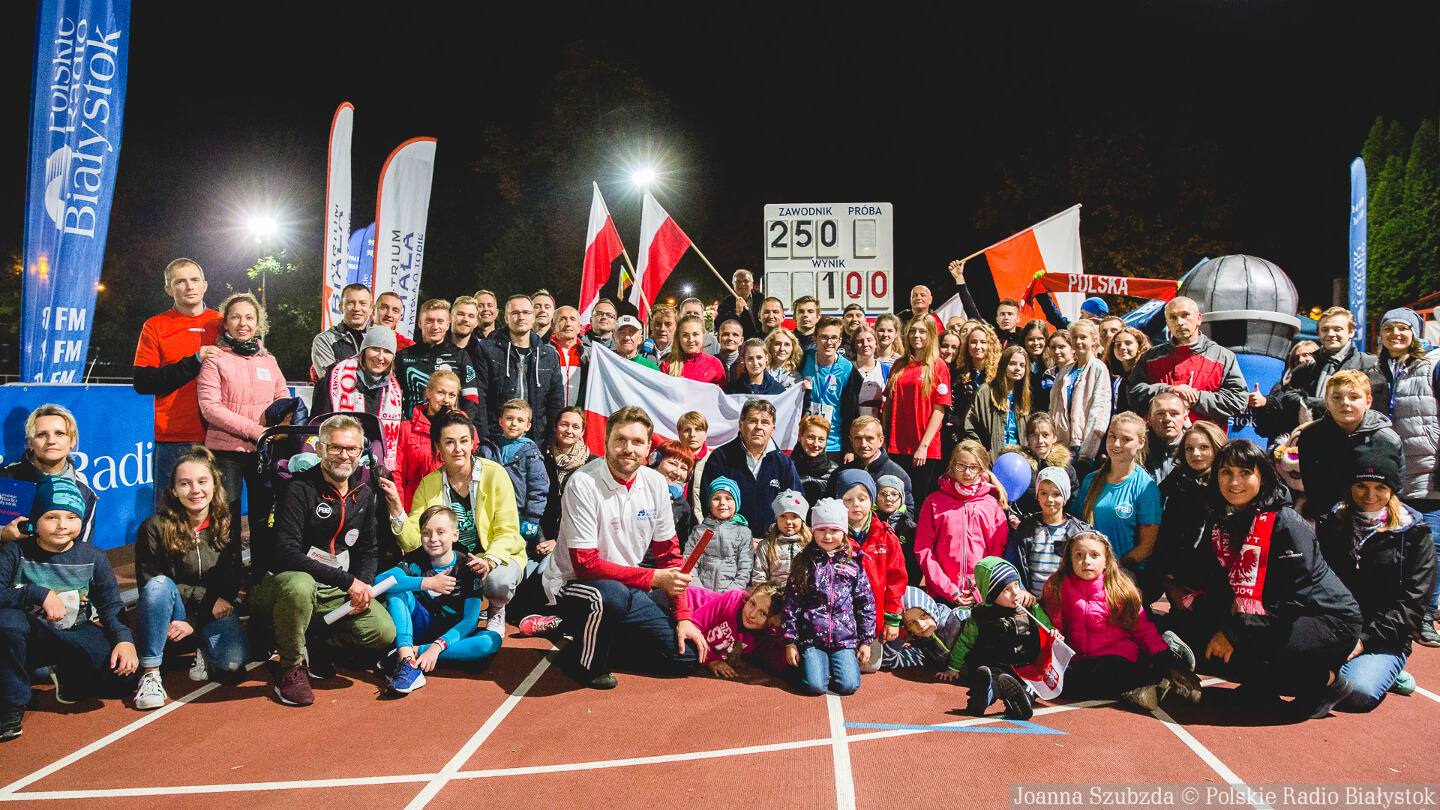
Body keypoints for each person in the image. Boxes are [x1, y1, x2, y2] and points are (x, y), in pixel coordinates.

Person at [1161, 440, 1362, 719]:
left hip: (1326, 618)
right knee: (1206, 638)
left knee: (1244, 643)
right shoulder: (1225, 520)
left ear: (1263, 477)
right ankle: (1261, 686)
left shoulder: (1285, 523)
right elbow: (1216, 579)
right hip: (1274, 614)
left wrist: (1233, 633)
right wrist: (1176, 589)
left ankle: (1326, 683)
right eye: (1226, 472)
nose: (1234, 482)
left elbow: (1295, 597)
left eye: (1245, 472)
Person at [536, 406, 706, 689]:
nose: (628, 449)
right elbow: (586, 565)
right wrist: (654, 579)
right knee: (610, 596)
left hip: (625, 585)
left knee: (684, 659)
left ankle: (593, 644)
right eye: (620, 440)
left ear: (649, 447)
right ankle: (584, 664)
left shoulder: (655, 485)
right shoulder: (582, 483)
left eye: (638, 442)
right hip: (573, 585)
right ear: (605, 443)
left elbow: (669, 556)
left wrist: (683, 617)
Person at [249, 415, 401, 706]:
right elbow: (285, 552)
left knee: (382, 632)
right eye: (334, 448)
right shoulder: (298, 489)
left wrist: (364, 586)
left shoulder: (365, 493)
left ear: (361, 453)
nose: (343, 455)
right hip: (284, 586)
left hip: (332, 593)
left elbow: (368, 550)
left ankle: (314, 641)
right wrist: (348, 581)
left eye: (351, 449)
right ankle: (290, 666)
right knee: (300, 585)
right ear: (318, 449)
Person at [0, 476, 137, 739]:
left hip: (72, 631)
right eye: (51, 517)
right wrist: (36, 593)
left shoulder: (93, 556)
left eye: (72, 517)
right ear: (34, 521)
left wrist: (124, 640)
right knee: (7, 622)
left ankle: (65, 670)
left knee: (123, 679)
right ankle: (10, 705)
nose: (62, 526)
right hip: (28, 636)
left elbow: (110, 605)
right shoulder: (14, 552)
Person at [1315, 449, 1436, 710]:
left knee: (1355, 692)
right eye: (1361, 485)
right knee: (1277, 671)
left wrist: (1364, 640)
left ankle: (1384, 670)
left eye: (1380, 486)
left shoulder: (1415, 534)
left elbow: (1413, 605)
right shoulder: (1331, 524)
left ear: (1393, 488)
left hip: (1385, 637)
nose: (1369, 496)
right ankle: (1371, 671)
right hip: (1336, 630)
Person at [132, 448, 246, 709]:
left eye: (202, 482)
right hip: (173, 610)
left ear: (215, 484)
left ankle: (201, 646)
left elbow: (229, 585)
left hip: (210, 612)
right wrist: (196, 606)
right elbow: (152, 583)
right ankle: (150, 674)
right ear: (173, 490)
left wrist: (194, 622)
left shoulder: (227, 523)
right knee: (159, 587)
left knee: (232, 669)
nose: (195, 490)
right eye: (185, 483)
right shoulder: (153, 527)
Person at [1044, 531, 1200, 710]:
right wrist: (1054, 639)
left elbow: (1142, 629)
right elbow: (1055, 625)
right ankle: (1140, 689)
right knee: (1062, 685)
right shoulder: (1058, 586)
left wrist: (1163, 659)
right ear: (1069, 560)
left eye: (1094, 555)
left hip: (1115, 656)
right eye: (1079, 555)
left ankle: (1169, 662)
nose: (1086, 561)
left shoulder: (1119, 589)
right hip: (1080, 660)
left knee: (1113, 671)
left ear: (1106, 560)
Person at [404, 412, 526, 632]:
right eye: (449, 442)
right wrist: (396, 514)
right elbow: (413, 536)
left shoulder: (495, 474)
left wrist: (489, 560)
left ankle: (496, 608)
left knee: (497, 582)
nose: (457, 448)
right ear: (438, 447)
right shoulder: (429, 483)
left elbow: (507, 530)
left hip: (496, 555)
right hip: (455, 560)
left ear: (472, 443)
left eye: (463, 441)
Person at [196, 292, 288, 549]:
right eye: (235, 317)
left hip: (263, 452)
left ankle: (261, 581)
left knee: (263, 518)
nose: (243, 323)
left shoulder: (268, 361)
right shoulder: (215, 360)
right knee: (227, 521)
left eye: (249, 317)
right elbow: (211, 408)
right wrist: (256, 430)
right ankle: (228, 582)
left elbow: (282, 397)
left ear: (258, 323)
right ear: (225, 324)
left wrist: (281, 425)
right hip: (226, 453)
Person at [379, 505, 503, 695]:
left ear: (455, 535)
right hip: (417, 625)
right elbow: (381, 581)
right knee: (397, 592)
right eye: (426, 533)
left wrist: (436, 647)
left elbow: (470, 621)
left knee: (490, 641)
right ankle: (407, 661)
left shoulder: (468, 567)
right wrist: (426, 583)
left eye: (441, 532)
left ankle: (413, 652)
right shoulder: (415, 559)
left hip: (449, 633)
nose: (433, 539)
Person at [1372, 308, 1440, 644]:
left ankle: (1425, 615)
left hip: (1426, 471)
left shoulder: (1433, 366)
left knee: (1433, 546)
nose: (1396, 335)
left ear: (1415, 333)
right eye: (1389, 329)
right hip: (1384, 473)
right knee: (1390, 546)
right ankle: (1392, 611)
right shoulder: (1372, 368)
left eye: (1403, 329)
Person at [133, 258, 222, 510]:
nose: (189, 286)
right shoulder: (155, 326)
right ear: (168, 289)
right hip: (174, 439)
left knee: (216, 516)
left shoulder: (223, 323)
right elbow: (143, 382)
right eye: (180, 281)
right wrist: (194, 361)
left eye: (194, 280)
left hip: (219, 437)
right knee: (169, 516)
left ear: (204, 285)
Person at [781, 498, 875, 696]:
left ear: (843, 532)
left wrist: (866, 641)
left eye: (834, 530)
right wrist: (790, 641)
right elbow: (792, 604)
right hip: (811, 639)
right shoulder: (804, 562)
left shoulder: (853, 563)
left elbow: (865, 603)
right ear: (813, 530)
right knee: (815, 687)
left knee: (849, 686)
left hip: (844, 639)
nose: (828, 536)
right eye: (822, 530)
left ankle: (828, 666)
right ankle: (811, 667)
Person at [942, 557, 1050, 721]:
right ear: (991, 595)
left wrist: (1054, 633)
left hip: (1025, 665)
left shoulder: (1030, 607)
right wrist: (953, 667)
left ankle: (1022, 702)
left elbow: (1046, 626)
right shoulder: (980, 615)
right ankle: (984, 696)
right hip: (996, 664)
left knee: (1031, 684)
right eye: (1006, 589)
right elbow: (965, 641)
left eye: (1016, 585)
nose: (1015, 592)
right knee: (989, 676)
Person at [1255, 307, 1386, 439]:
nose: (1330, 334)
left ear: (1351, 332)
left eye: (1337, 329)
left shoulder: (1370, 364)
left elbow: (1377, 410)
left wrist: (1311, 403)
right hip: (1312, 442)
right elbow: (1288, 403)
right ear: (1318, 333)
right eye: (1325, 330)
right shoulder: (1303, 370)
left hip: (1355, 443)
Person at [1296, 370, 1404, 521]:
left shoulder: (1386, 439)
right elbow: (1311, 484)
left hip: (1376, 519)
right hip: (1330, 519)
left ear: (1368, 402)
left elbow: (1396, 486)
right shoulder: (1311, 436)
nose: (1345, 403)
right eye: (1337, 397)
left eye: (1354, 397)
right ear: (1327, 402)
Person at [1127, 296, 1247, 429]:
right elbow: (1133, 393)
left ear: (1198, 319)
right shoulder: (1150, 357)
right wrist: (1167, 391)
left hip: (1206, 443)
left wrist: (1195, 398)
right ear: (1167, 324)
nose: (1179, 322)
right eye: (1173, 317)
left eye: (1185, 315)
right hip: (1159, 443)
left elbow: (1238, 400)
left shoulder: (1223, 357)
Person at [915, 441, 1011, 607]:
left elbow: (998, 552)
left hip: (982, 595)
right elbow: (924, 550)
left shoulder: (992, 505)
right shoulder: (933, 502)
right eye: (962, 465)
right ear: (952, 465)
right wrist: (948, 589)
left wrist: (981, 587)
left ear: (982, 469)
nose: (967, 472)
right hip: (942, 595)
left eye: (974, 467)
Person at [700, 399, 804, 540]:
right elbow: (709, 506)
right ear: (741, 425)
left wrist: (772, 542)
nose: (758, 427)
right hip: (728, 545)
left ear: (772, 429)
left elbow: (796, 507)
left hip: (773, 546)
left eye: (765, 423)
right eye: (753, 421)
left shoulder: (783, 462)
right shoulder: (720, 458)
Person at [1074, 413, 1162, 577]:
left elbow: (1145, 548)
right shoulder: (1090, 481)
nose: (1116, 444)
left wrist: (1111, 568)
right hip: (1086, 572)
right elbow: (1077, 527)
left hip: (1124, 574)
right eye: (1112, 436)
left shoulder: (1146, 488)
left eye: (1126, 439)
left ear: (1141, 442)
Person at [1149, 421, 1228, 598]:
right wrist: (1168, 582)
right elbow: (1166, 539)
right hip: (1182, 581)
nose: (1196, 454)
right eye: (1189, 449)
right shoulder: (1177, 483)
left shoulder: (1230, 487)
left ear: (1217, 448)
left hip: (1220, 583)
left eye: (1203, 447)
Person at [837, 470, 905, 674]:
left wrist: (892, 619)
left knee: (870, 667)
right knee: (842, 668)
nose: (856, 504)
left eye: (862, 498)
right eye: (848, 499)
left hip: (873, 620)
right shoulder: (831, 535)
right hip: (839, 619)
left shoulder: (886, 536)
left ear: (872, 500)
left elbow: (897, 579)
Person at [473, 294, 565, 443]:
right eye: (515, 313)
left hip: (534, 441)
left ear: (533, 317)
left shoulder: (548, 355)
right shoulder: (487, 349)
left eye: (526, 312)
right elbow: (480, 397)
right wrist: (483, 438)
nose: (521, 317)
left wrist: (552, 439)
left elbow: (555, 402)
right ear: (506, 318)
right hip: (496, 439)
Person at [0, 405, 97, 545]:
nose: (51, 441)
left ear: (72, 441)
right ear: (30, 443)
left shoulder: (84, 493)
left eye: (59, 433)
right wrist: (3, 534)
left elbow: (81, 554)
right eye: (41, 435)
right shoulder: (4, 478)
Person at [314, 326, 406, 469]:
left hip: (374, 466)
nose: (380, 357)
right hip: (337, 458)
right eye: (375, 348)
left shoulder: (394, 390)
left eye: (387, 351)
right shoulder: (334, 378)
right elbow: (318, 422)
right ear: (363, 351)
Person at [883, 316, 952, 506]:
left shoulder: (938, 366)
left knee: (919, 500)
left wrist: (923, 446)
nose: (916, 335)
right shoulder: (898, 365)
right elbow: (889, 404)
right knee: (896, 500)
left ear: (930, 335)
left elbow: (939, 410)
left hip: (923, 448)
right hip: (897, 444)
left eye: (922, 331)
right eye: (913, 331)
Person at [1007, 467, 1092, 599]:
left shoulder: (1079, 532)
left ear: (1065, 495)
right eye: (1044, 493)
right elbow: (1014, 562)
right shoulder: (1026, 528)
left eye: (1056, 494)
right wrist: (1022, 589)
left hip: (1066, 603)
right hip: (1035, 602)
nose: (1049, 499)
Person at [478, 400, 549, 555]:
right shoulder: (487, 448)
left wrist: (532, 519)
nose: (513, 424)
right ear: (501, 421)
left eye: (520, 420)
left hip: (518, 515)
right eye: (509, 418)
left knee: (514, 551)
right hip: (490, 511)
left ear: (527, 426)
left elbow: (538, 487)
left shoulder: (532, 453)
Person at [395, 299, 483, 422]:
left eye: (440, 321)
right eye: (429, 321)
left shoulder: (460, 356)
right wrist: (404, 425)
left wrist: (460, 425)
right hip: (412, 431)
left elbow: (471, 399)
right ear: (420, 323)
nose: (435, 327)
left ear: (448, 324)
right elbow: (393, 397)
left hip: (447, 431)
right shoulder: (403, 356)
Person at [687, 582, 788, 679]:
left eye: (763, 613)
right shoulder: (734, 599)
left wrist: (781, 627)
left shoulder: (765, 636)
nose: (751, 615)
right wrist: (711, 660)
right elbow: (692, 626)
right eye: (752, 603)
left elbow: (779, 665)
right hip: (683, 606)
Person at [393, 369, 460, 510]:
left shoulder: (465, 430)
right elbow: (397, 474)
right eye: (440, 393)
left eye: (452, 395)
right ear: (428, 393)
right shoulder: (406, 429)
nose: (446, 400)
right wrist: (399, 511)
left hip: (452, 509)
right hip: (415, 507)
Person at [1051, 320, 1112, 475]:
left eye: (1083, 337)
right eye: (1075, 337)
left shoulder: (1098, 369)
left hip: (1084, 446)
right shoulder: (1065, 372)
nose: (1078, 341)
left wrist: (1086, 454)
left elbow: (1099, 412)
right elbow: (1054, 410)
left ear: (1094, 340)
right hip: (1062, 446)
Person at [540, 406, 596, 548]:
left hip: (575, 541)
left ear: (582, 432)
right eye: (564, 425)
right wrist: (541, 541)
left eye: (575, 427)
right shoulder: (540, 459)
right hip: (540, 539)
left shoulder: (594, 465)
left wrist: (558, 541)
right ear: (555, 427)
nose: (569, 431)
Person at [686, 478, 755, 592]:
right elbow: (689, 564)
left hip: (729, 596)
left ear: (736, 503)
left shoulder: (743, 533)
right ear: (709, 503)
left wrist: (729, 594)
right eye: (716, 498)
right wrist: (700, 592)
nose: (722, 503)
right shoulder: (700, 531)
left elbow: (745, 569)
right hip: (701, 593)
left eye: (728, 498)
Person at [835, 417, 914, 514]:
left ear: (880, 441)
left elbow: (908, 514)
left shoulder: (898, 474)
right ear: (851, 440)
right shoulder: (840, 474)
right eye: (858, 438)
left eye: (869, 438)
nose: (863, 444)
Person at [966, 346, 1032, 459]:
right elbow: (969, 427)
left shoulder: (1026, 396)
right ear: (1003, 365)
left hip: (1020, 459)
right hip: (992, 459)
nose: (1017, 368)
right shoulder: (985, 392)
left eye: (1022, 365)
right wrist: (982, 454)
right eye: (1012, 364)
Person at [803, 317, 855, 459]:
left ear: (839, 341)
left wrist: (850, 448)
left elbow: (851, 410)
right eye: (824, 337)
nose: (829, 342)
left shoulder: (847, 368)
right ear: (815, 339)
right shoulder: (804, 360)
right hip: (806, 440)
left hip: (834, 443)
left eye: (833, 338)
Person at [1011, 411, 1078, 518]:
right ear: (1028, 438)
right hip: (1025, 526)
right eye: (1034, 435)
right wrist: (1013, 515)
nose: (1040, 440)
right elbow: (1010, 500)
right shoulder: (1018, 466)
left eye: (1045, 435)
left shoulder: (1066, 468)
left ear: (1054, 438)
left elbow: (1074, 503)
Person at [1251, 340, 1322, 439]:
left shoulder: (1322, 384)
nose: (1301, 360)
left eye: (1306, 355)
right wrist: (1265, 404)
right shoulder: (1280, 386)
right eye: (1296, 358)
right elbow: (1265, 429)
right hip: (1283, 445)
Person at [310, 282, 372, 380]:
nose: (356, 308)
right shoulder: (324, 340)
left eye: (363, 303)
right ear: (340, 307)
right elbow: (333, 382)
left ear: (370, 309)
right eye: (350, 303)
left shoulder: (377, 341)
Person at [840, 326, 889, 440]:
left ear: (876, 343)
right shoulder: (847, 369)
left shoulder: (886, 371)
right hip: (853, 435)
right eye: (860, 341)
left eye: (869, 340)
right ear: (854, 345)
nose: (865, 344)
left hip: (878, 436)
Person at [755, 490, 810, 587]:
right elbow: (759, 576)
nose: (788, 521)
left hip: (802, 597)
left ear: (802, 520)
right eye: (783, 516)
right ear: (776, 519)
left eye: (794, 516)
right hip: (774, 597)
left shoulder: (810, 544)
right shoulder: (767, 545)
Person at [875, 474, 920, 585]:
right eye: (883, 494)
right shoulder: (869, 523)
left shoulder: (910, 528)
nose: (888, 498)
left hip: (901, 584)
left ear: (902, 498)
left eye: (894, 494)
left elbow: (914, 565)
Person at [653, 440, 697, 548]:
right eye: (672, 463)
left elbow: (680, 545)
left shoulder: (683, 506)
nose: (677, 473)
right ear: (656, 461)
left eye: (684, 468)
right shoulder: (636, 489)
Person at [664, 314, 728, 385]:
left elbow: (719, 394)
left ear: (703, 335)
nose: (691, 340)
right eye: (685, 335)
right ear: (679, 337)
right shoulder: (667, 364)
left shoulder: (714, 364)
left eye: (695, 334)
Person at [1102, 326, 1150, 415]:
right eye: (1118, 344)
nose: (1122, 347)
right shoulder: (1109, 374)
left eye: (1128, 343)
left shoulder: (1147, 374)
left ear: (1139, 346)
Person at [1143, 391, 1188, 482]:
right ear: (1149, 419)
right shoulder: (1138, 448)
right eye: (1160, 414)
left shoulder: (1195, 450)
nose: (1167, 419)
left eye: (1174, 413)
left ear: (1184, 419)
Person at [792, 415, 837, 505]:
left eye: (821, 440)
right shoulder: (786, 467)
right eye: (810, 438)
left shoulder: (834, 470)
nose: (816, 444)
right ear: (800, 437)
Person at [551, 305, 589, 407]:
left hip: (579, 417)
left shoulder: (589, 355)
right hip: (550, 418)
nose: (568, 324)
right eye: (562, 319)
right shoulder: (542, 353)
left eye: (572, 319)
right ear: (553, 326)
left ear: (579, 327)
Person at [715, 269, 765, 339]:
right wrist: (736, 312)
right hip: (739, 343)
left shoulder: (762, 299)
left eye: (746, 281)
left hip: (761, 340)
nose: (742, 284)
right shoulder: (726, 303)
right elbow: (719, 325)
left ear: (752, 284)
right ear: (733, 285)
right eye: (738, 281)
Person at [1021, 321, 1052, 410]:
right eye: (1031, 339)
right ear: (1024, 340)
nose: (1036, 343)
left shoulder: (1053, 364)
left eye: (1040, 339)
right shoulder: (1019, 363)